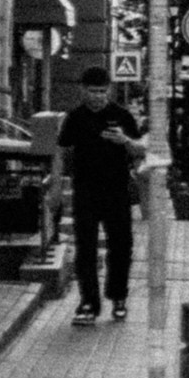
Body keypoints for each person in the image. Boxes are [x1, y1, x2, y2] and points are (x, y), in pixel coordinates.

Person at [57, 66, 147, 325]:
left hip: (117, 192)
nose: (98, 97)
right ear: (83, 90)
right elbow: (61, 150)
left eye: (103, 92)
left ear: (109, 90)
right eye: (93, 92)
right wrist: (55, 189)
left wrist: (125, 141)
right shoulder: (75, 117)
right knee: (85, 248)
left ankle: (118, 297)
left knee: (121, 246)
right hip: (85, 192)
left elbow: (141, 150)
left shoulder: (122, 115)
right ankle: (88, 303)